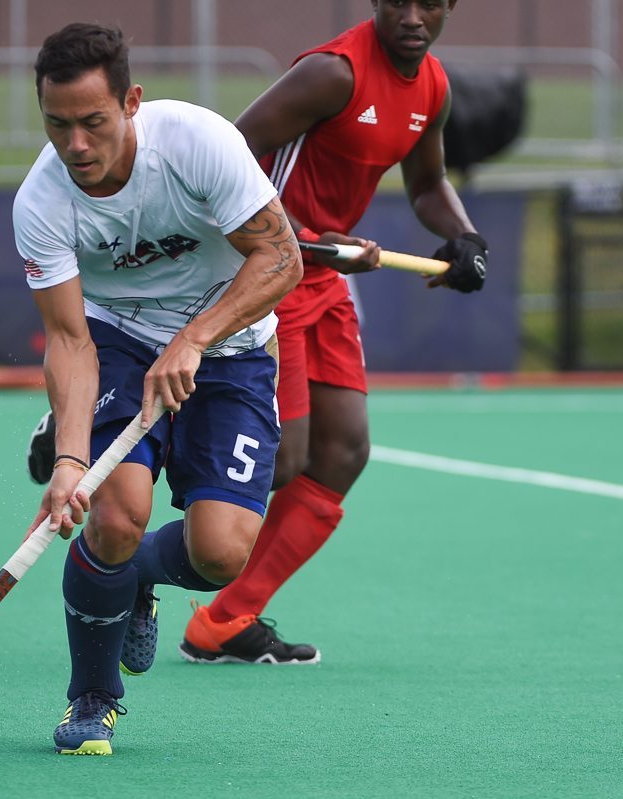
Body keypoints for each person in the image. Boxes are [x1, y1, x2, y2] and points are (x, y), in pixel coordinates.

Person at [15, 23, 301, 755]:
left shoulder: (197, 143)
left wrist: (196, 337)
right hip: (117, 338)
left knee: (221, 553)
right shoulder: (41, 201)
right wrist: (73, 461)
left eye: (93, 122)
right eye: (56, 124)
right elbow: (70, 338)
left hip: (231, 346)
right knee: (113, 515)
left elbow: (281, 259)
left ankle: (132, 573)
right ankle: (93, 696)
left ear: (131, 102)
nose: (75, 145)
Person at [176, 0, 487, 665]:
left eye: (429, 2)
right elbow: (225, 158)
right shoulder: (333, 75)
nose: (412, 15)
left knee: (344, 450)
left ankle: (227, 619)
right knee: (282, 459)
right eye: (397, 1)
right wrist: (307, 242)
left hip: (326, 276)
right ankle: (140, 489)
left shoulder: (431, 84)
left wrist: (463, 237)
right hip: (268, 268)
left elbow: (427, 182)